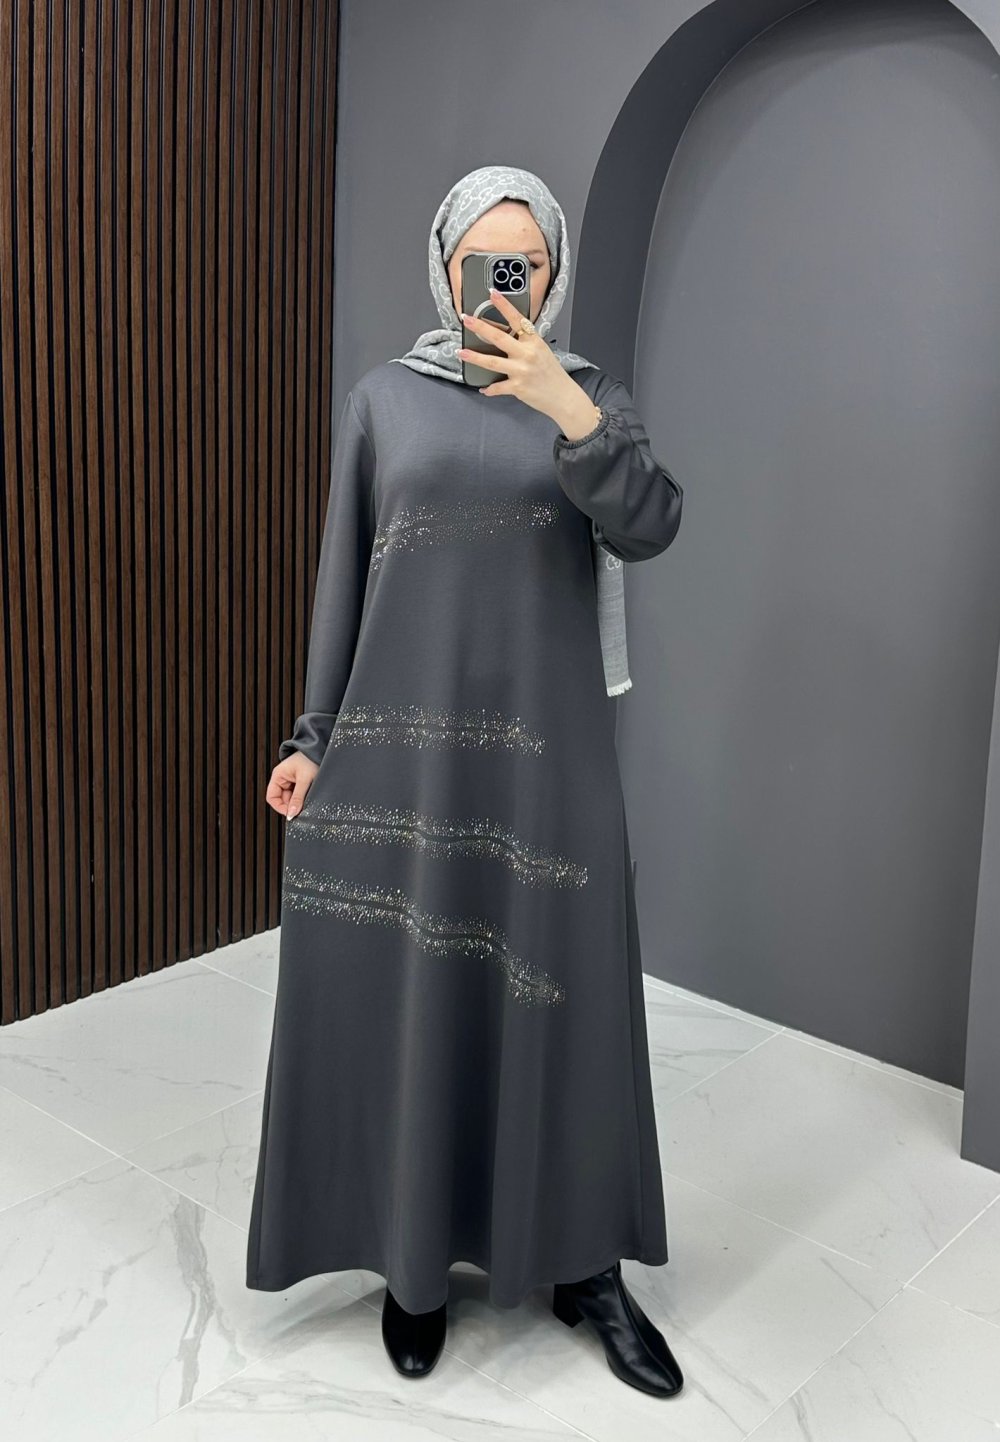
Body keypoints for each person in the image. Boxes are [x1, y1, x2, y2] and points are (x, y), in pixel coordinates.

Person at [246, 164, 685, 1398]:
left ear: (551, 273)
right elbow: (347, 575)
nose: (504, 283)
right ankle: (415, 1266)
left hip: (554, 761)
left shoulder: (590, 395)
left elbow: (651, 522)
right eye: (481, 262)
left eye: (524, 265)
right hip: (409, 756)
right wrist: (310, 737)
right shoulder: (385, 399)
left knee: (571, 998)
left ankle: (585, 1267)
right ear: (444, 269)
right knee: (420, 992)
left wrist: (569, 411)